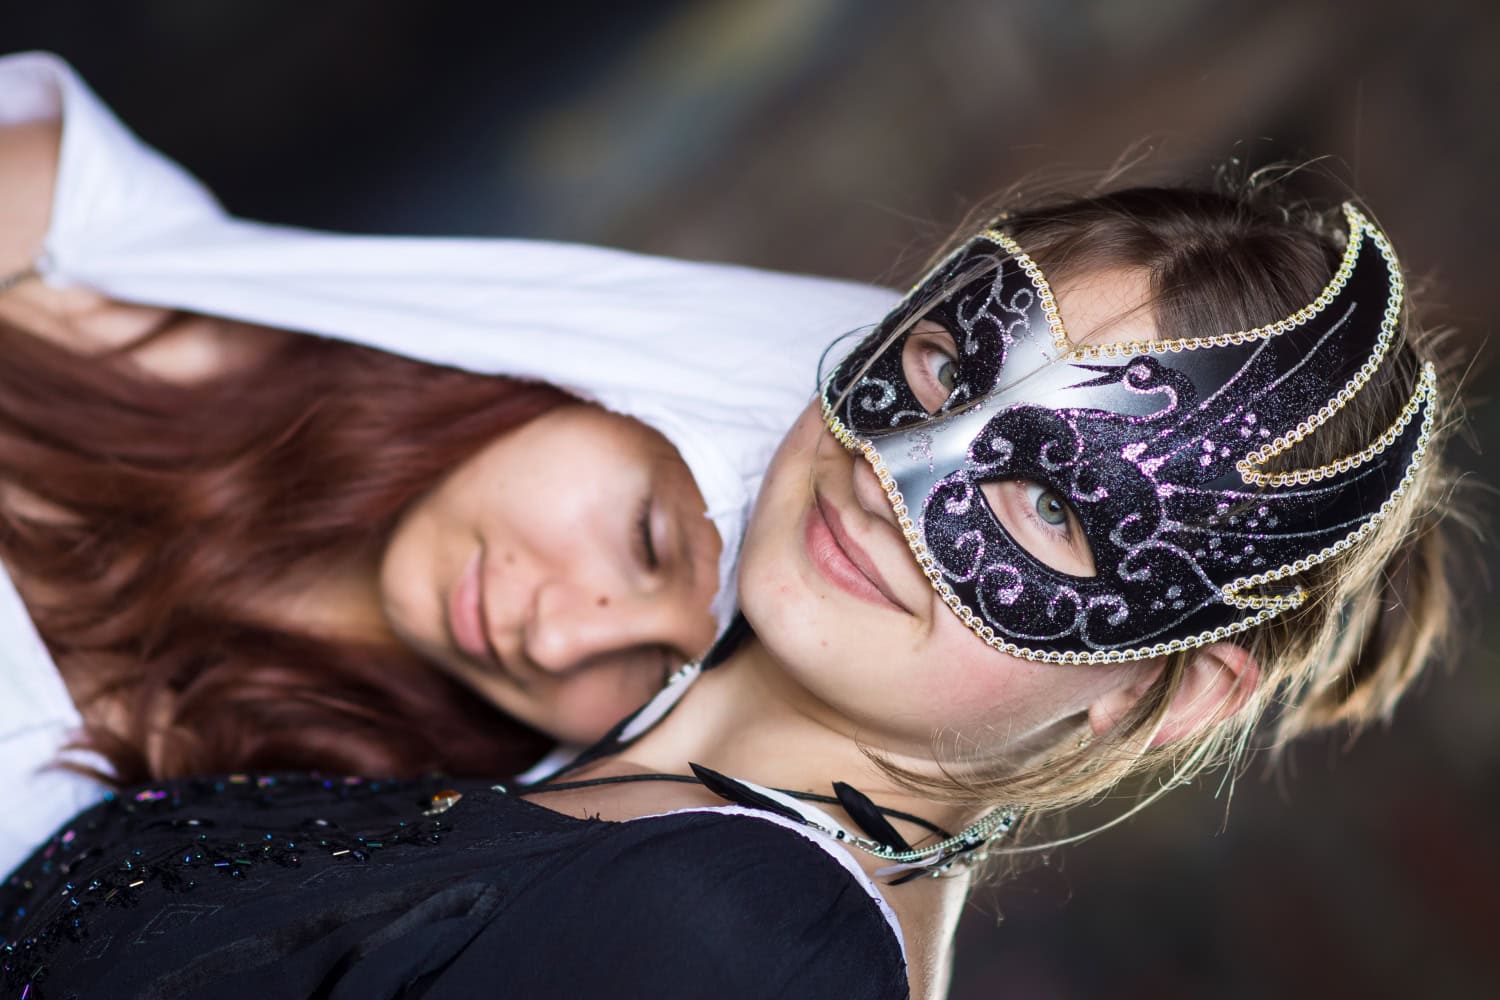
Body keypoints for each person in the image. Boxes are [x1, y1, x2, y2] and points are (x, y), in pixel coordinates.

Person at [0, 174, 1458, 999]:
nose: (895, 474)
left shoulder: (744, 938)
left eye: (1053, 504)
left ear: (1169, 696)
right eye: (942, 366)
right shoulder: (614, 766)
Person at [0, 51, 898, 877]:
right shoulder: (73, 243)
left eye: (661, 678)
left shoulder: (344, 856)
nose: (557, 640)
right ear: (598, 375)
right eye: (646, 540)